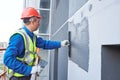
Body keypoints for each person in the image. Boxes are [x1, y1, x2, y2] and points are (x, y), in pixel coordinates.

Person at [3, 7, 69, 80]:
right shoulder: (19, 37)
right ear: (32, 21)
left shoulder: (32, 37)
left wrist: (61, 43)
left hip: (26, 75)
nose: (39, 24)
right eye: (38, 21)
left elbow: (45, 44)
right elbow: (7, 59)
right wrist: (29, 70)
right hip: (18, 77)